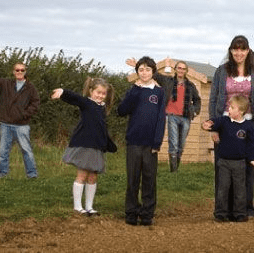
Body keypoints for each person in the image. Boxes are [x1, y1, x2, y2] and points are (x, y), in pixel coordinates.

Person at [208, 35, 254, 218]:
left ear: (248, 51)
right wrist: (213, 126)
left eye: (242, 49)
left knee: (247, 167)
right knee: (222, 169)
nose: (238, 53)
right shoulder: (221, 71)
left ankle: (245, 209)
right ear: (231, 51)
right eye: (235, 49)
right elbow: (213, 99)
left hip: (250, 124)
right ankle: (223, 210)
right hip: (225, 123)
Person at [50, 78, 117, 216]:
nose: (100, 96)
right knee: (82, 175)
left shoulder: (102, 108)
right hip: (84, 145)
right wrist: (63, 92)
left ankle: (89, 207)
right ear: (91, 91)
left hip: (97, 147)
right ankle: (77, 207)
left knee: (93, 177)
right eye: (98, 92)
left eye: (103, 94)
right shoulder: (87, 103)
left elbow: (101, 128)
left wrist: (108, 144)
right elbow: (75, 98)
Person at [118, 56, 168, 226]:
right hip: (133, 142)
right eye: (141, 69)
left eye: (147, 69)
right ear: (137, 72)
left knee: (149, 180)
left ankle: (147, 214)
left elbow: (161, 118)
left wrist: (157, 143)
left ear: (153, 71)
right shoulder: (134, 90)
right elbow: (122, 110)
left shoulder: (159, 92)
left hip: (150, 145)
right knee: (132, 179)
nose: (144, 72)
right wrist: (134, 91)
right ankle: (131, 212)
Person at [0, 57, 40, 179]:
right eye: (17, 70)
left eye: (22, 70)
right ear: (13, 72)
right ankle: (2, 174)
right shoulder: (5, 84)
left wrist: (24, 114)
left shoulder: (31, 88)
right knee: (3, 152)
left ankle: (32, 175)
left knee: (27, 151)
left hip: (22, 126)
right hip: (5, 124)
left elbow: (35, 103)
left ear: (25, 72)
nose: (19, 72)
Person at [202, 95, 254, 223]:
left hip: (240, 163)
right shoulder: (224, 121)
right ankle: (220, 214)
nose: (229, 109)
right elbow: (214, 122)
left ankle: (239, 214)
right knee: (223, 189)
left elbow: (252, 145)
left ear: (240, 111)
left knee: (240, 190)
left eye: (232, 107)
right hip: (224, 162)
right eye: (229, 106)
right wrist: (207, 124)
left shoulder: (248, 127)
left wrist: (252, 159)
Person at [152, 58, 201, 173]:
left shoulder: (190, 85)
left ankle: (176, 168)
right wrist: (137, 65)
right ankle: (173, 171)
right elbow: (155, 74)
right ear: (175, 69)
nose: (181, 70)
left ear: (186, 71)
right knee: (173, 142)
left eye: (183, 69)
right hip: (172, 116)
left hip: (186, 116)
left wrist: (194, 111)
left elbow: (197, 100)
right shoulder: (168, 81)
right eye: (179, 68)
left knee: (181, 144)